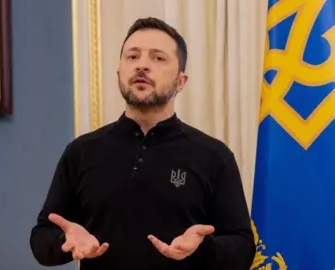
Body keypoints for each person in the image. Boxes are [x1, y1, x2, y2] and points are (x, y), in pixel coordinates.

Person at [30, 17, 256, 269]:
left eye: (158, 58)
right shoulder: (81, 152)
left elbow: (243, 248)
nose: (142, 66)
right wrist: (66, 242)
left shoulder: (214, 156)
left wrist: (202, 249)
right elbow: (41, 238)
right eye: (132, 56)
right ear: (119, 73)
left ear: (181, 82)